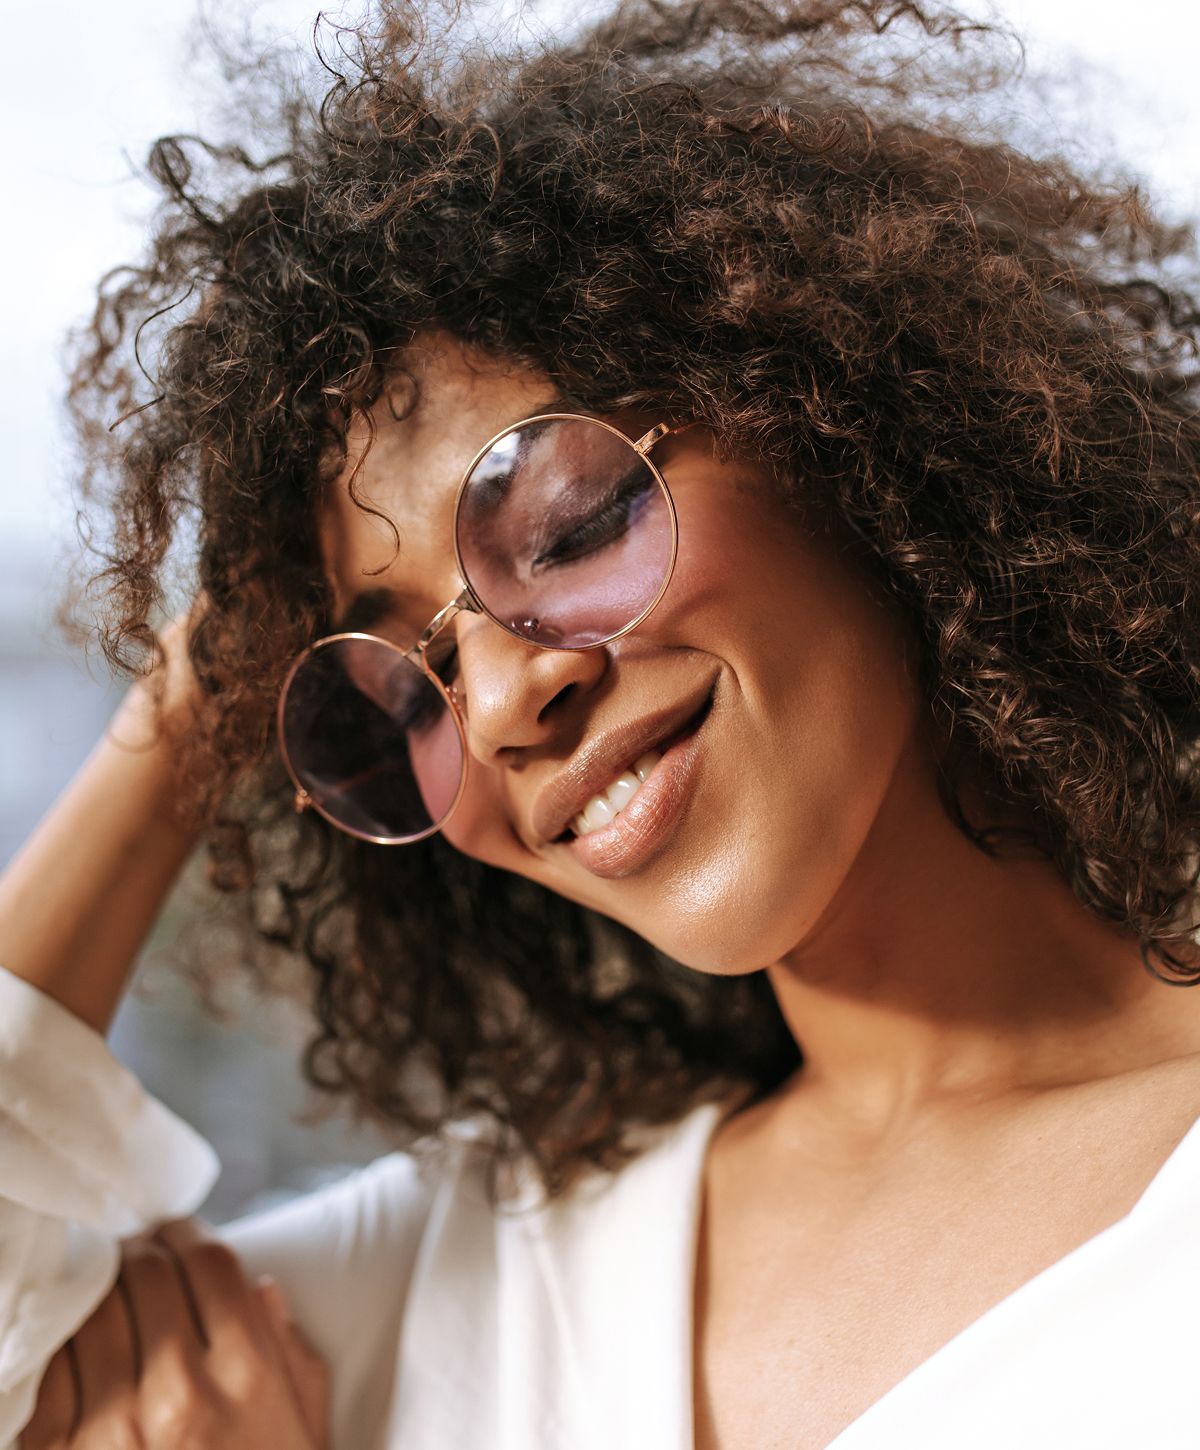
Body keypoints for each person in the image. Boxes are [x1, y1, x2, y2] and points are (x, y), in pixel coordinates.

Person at [3, 0, 1200, 1444]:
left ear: (824, 405)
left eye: (568, 526)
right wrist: (205, 682)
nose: (506, 702)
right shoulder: (484, 1276)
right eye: (400, 682)